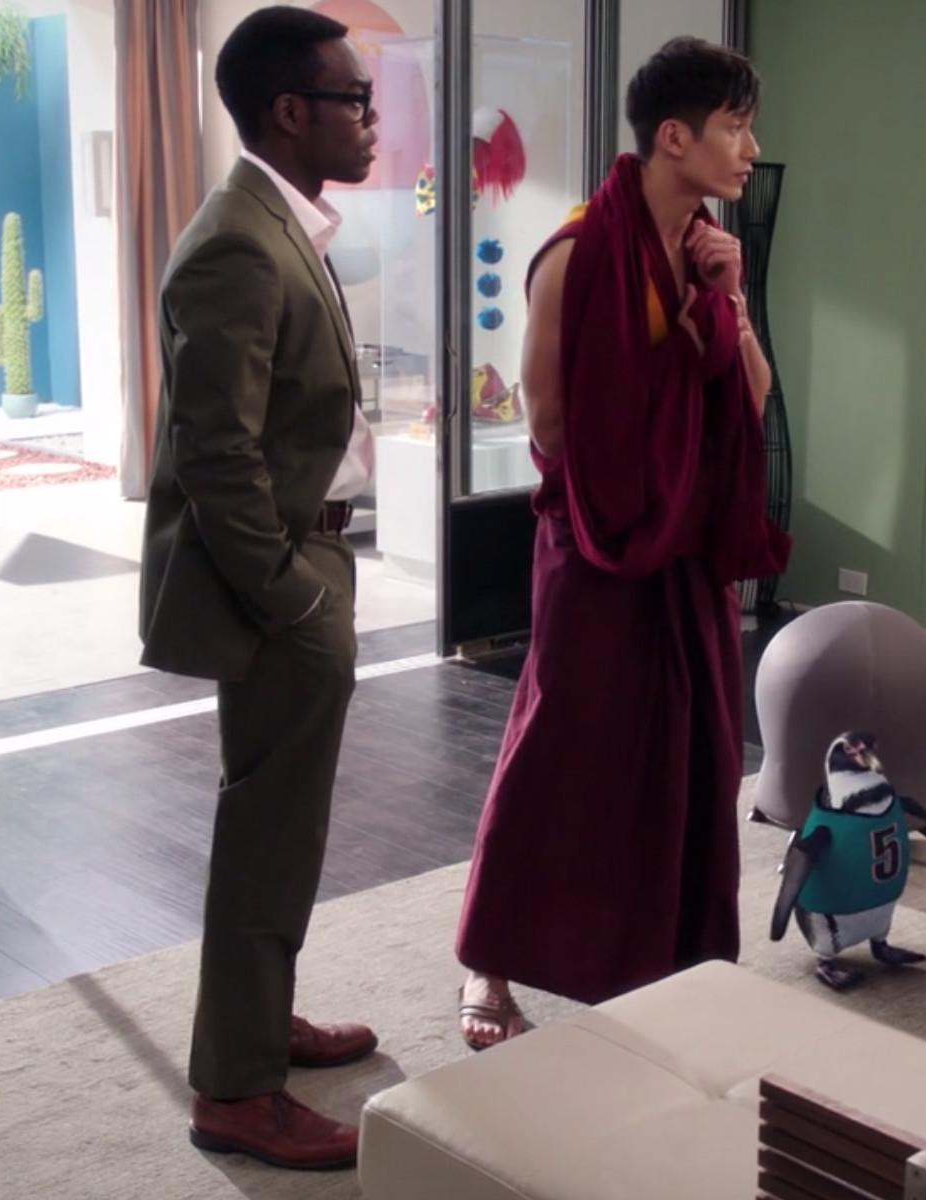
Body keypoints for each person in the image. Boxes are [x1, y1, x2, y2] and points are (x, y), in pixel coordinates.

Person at [453, 36, 791, 1048]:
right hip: (598, 544)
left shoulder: (707, 252)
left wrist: (726, 303)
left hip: (685, 549)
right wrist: (665, 403)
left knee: (689, 750)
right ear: (674, 137)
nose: (751, 149)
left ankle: (667, 964)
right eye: (736, 128)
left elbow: (753, 397)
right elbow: (550, 423)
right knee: (560, 746)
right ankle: (488, 965)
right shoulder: (576, 253)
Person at [136, 5, 382, 1170]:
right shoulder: (237, 241)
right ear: (290, 111)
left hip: (310, 559)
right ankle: (234, 1092)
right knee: (267, 832)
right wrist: (290, 596)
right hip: (279, 581)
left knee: (284, 826)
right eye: (354, 99)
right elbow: (214, 452)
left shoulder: (280, 222)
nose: (371, 119)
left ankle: (255, 1022)